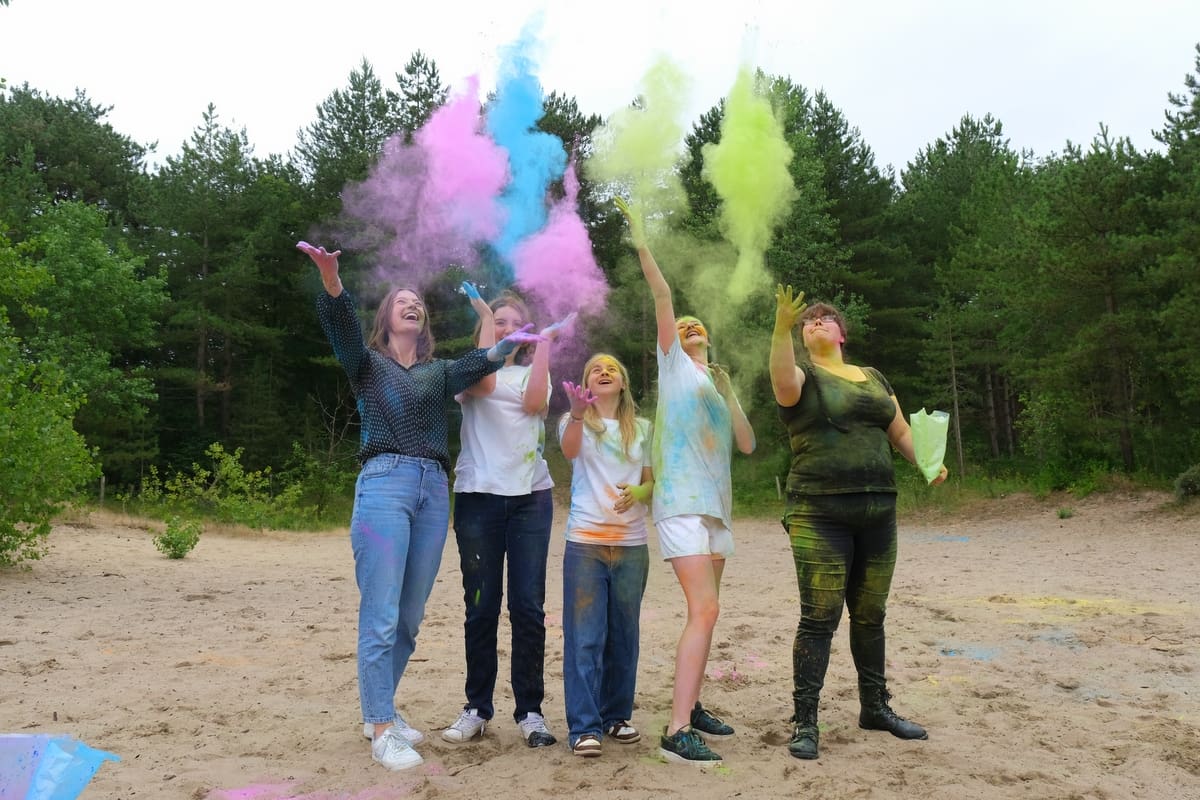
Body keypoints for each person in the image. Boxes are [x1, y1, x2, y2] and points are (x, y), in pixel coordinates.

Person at [297, 241, 541, 772]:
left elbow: (483, 362)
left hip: (434, 490)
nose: (413, 304)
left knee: (409, 618)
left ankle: (376, 708)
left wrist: (510, 337)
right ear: (386, 317)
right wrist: (332, 281)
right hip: (384, 483)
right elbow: (340, 327)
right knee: (381, 612)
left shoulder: (438, 372)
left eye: (418, 302)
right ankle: (383, 727)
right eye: (401, 300)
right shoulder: (366, 364)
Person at [768, 285, 948, 760]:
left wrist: (926, 463)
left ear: (842, 333)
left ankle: (875, 708)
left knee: (870, 616)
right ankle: (805, 721)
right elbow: (781, 379)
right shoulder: (802, 376)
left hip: (879, 510)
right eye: (809, 321)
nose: (816, 323)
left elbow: (901, 430)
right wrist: (781, 328)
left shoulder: (873, 376)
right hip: (818, 511)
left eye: (824, 319)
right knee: (819, 619)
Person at [615, 199, 756, 766]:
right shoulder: (674, 365)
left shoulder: (716, 385)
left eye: (701, 329)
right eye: (685, 328)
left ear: (710, 342)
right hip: (680, 504)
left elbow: (746, 444)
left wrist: (730, 392)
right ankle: (676, 731)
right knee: (706, 610)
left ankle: (691, 704)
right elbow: (664, 298)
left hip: (717, 510)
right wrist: (644, 244)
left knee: (708, 610)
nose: (691, 328)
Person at [442, 292, 571, 748]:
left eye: (517, 323)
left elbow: (536, 403)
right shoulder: (471, 372)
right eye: (499, 320)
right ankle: (477, 708)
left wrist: (549, 344)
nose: (507, 328)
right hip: (478, 497)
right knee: (480, 606)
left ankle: (530, 711)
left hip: (530, 501)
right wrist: (482, 316)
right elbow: (481, 379)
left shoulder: (535, 372)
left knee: (528, 608)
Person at [558, 354, 654, 758]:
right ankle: (584, 726)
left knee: (624, 636)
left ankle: (616, 715)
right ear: (586, 384)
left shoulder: (644, 429)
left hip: (633, 544)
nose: (604, 371)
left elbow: (652, 481)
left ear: (624, 381)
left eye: (613, 367)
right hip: (585, 543)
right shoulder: (573, 421)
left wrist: (641, 493)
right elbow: (568, 452)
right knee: (585, 638)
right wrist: (578, 414)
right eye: (594, 368)